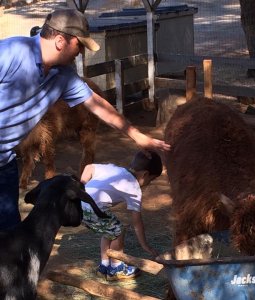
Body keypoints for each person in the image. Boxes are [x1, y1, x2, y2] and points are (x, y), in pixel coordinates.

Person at [0, 9, 170, 230]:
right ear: (60, 40)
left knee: (10, 234)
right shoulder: (11, 52)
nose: (80, 53)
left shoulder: (63, 76)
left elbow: (97, 105)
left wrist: (136, 135)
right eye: (79, 46)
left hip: (4, 162)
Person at [80, 150, 162, 281]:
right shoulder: (134, 188)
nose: (149, 183)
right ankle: (116, 269)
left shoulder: (115, 169)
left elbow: (88, 167)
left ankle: (104, 266)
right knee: (118, 230)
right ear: (145, 174)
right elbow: (137, 222)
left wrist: (81, 186)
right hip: (93, 208)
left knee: (109, 230)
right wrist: (145, 245)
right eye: (151, 180)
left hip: (79, 204)